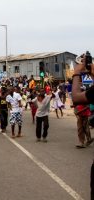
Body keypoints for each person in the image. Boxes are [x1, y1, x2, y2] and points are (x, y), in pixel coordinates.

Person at [71, 54, 94, 199]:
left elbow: (76, 96)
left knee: (85, 127)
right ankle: (82, 141)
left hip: (84, 112)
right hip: (81, 112)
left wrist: (76, 73)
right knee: (82, 127)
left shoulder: (86, 92)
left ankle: (86, 140)